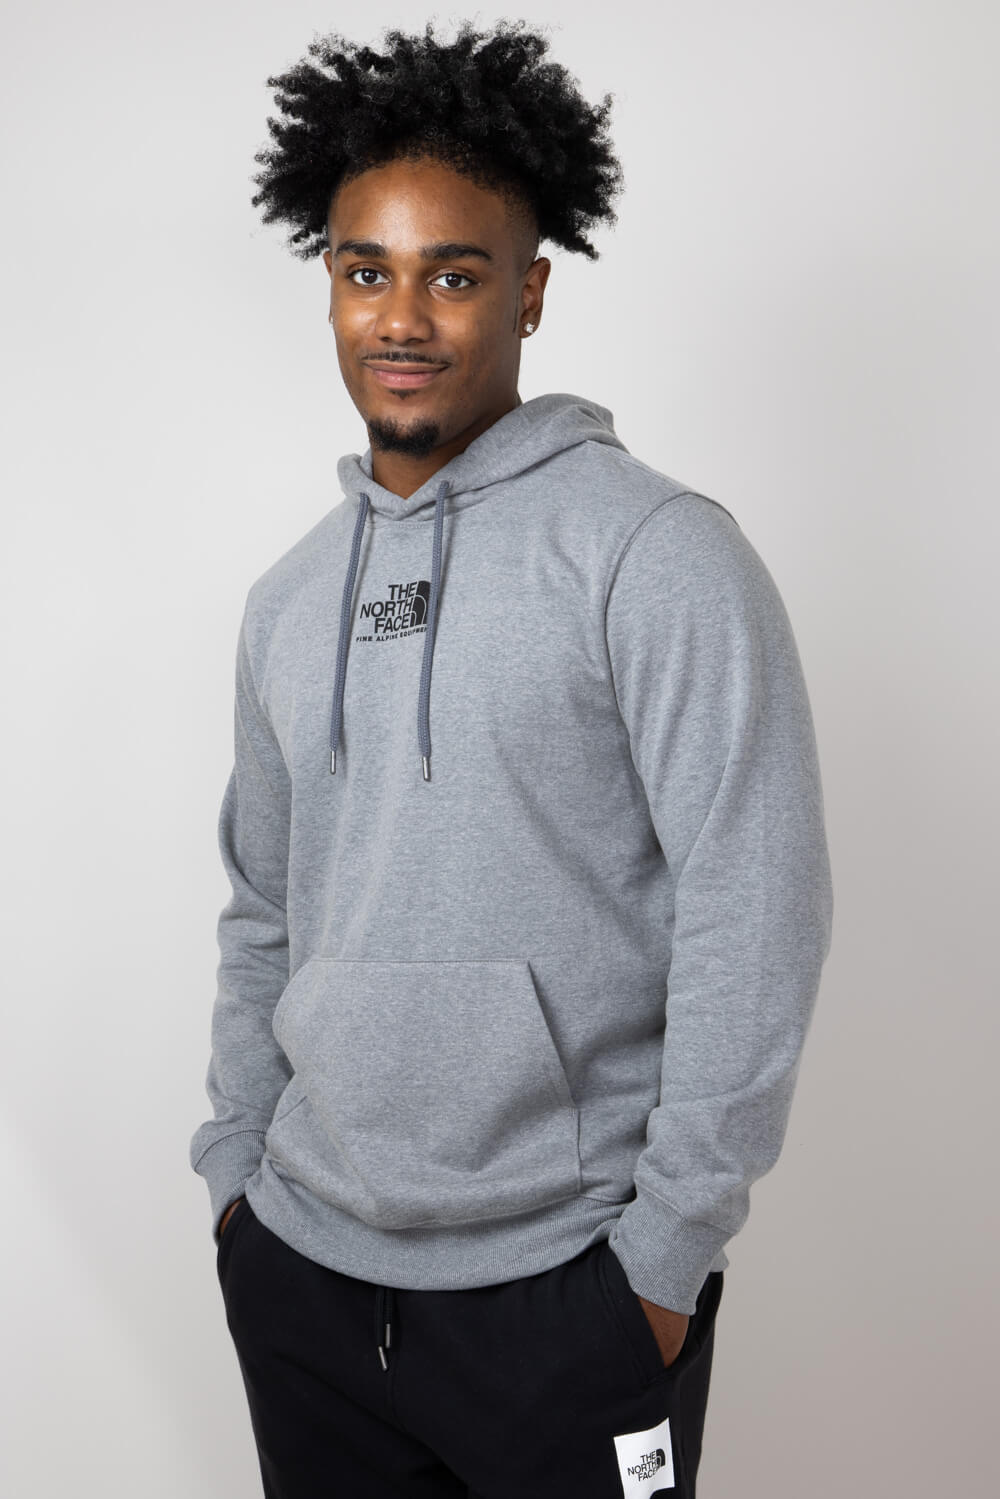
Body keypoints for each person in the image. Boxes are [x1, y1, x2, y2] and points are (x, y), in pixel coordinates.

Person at [189, 19, 833, 1499]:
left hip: (568, 1286)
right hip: (304, 1273)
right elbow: (263, 908)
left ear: (530, 292)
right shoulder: (289, 598)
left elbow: (758, 904)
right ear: (330, 283)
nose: (402, 318)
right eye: (367, 271)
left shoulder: (655, 555)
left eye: (454, 275)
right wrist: (237, 1184)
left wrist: (664, 1257)